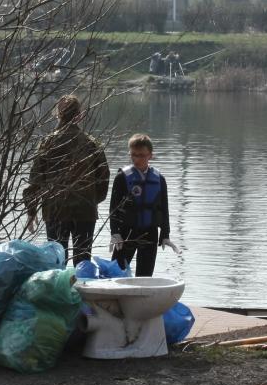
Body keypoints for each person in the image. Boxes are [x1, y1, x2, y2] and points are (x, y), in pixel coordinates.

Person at [23, 95, 110, 263]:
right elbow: (103, 178)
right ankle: (82, 289)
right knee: (83, 262)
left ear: (58, 114)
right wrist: (92, 199)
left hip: (55, 210)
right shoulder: (91, 144)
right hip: (85, 210)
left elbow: (36, 179)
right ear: (80, 115)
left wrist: (31, 210)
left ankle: (59, 288)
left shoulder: (48, 143)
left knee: (57, 261)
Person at [108, 133, 178, 277]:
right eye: (133, 155)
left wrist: (165, 234)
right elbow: (113, 207)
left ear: (150, 155)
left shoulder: (159, 179)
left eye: (141, 155)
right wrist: (115, 232)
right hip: (126, 232)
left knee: (145, 276)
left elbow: (164, 208)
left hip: (150, 233)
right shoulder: (122, 177)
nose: (137, 159)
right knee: (115, 273)